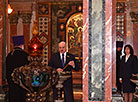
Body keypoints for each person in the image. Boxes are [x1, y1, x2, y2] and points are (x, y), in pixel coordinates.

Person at [6, 35, 29, 102]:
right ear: (22, 45)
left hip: (12, 85)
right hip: (22, 86)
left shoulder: (9, 55)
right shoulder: (25, 55)